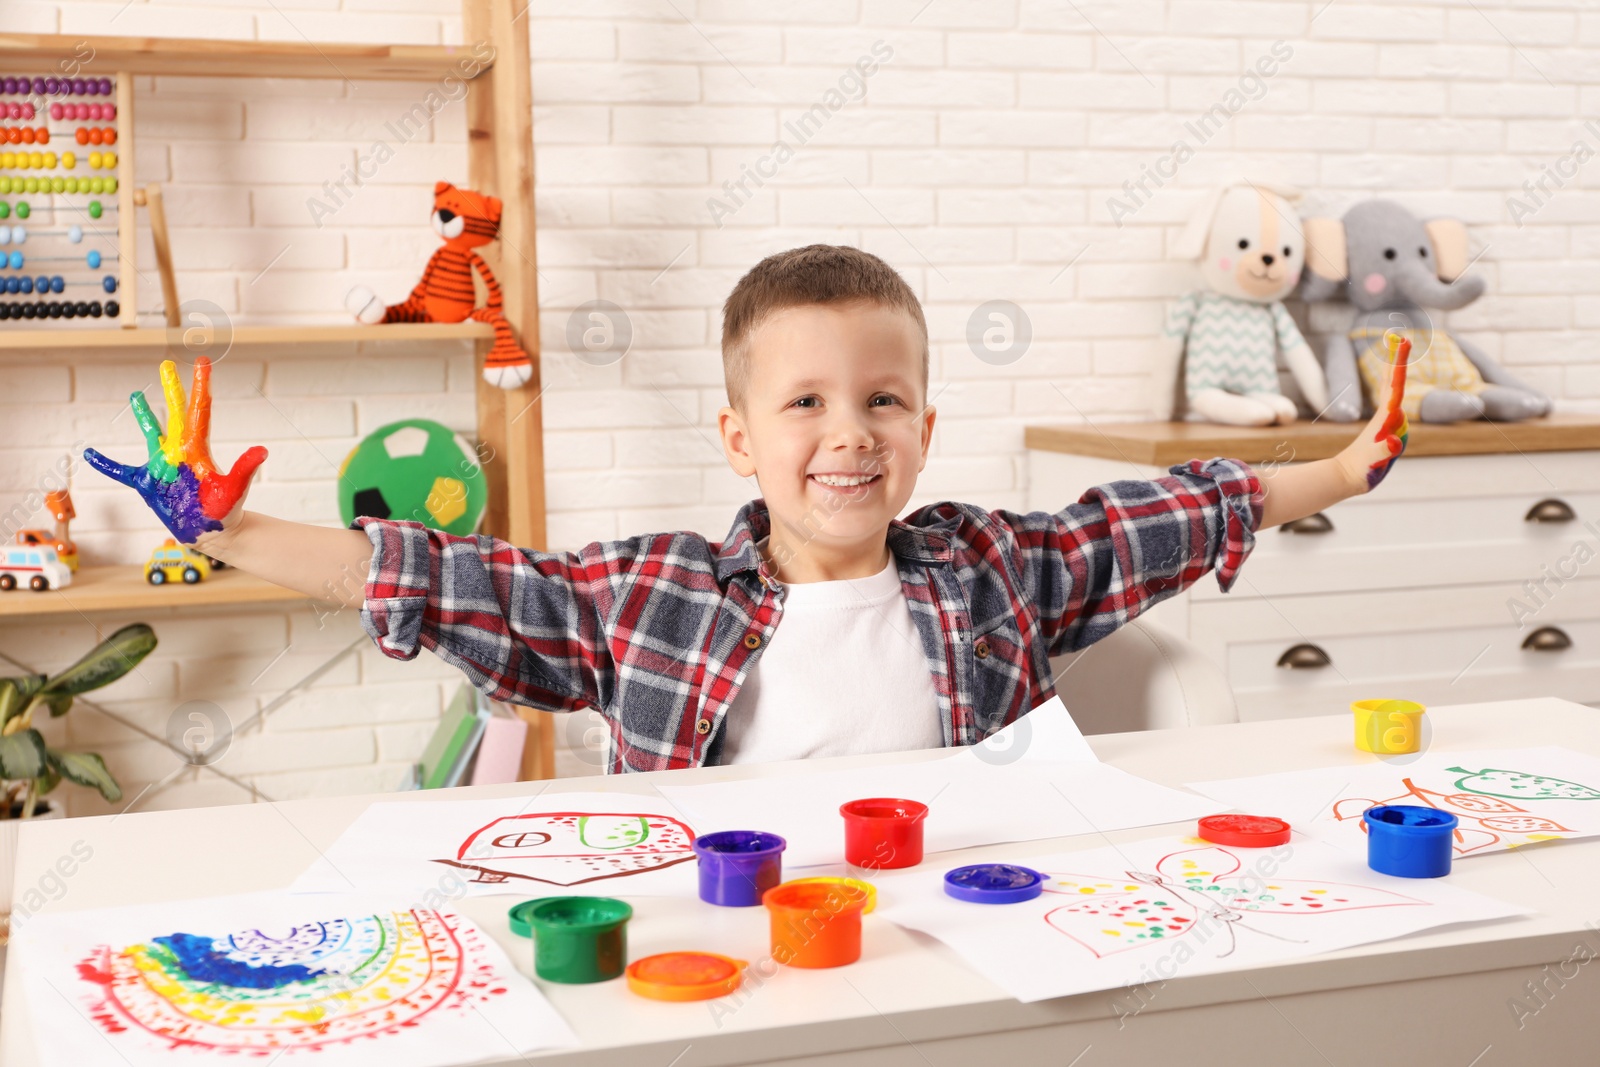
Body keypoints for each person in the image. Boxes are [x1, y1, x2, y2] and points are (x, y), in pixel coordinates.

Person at [85, 245, 1407, 773]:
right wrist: (222, 530)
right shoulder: (656, 593)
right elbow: (441, 581)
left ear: (925, 430)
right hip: (727, 939)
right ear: (738, 437)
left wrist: (1342, 472)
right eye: (805, 405)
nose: (848, 434)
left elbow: (1170, 514)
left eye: (884, 402)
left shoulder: (993, 566)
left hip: (958, 921)